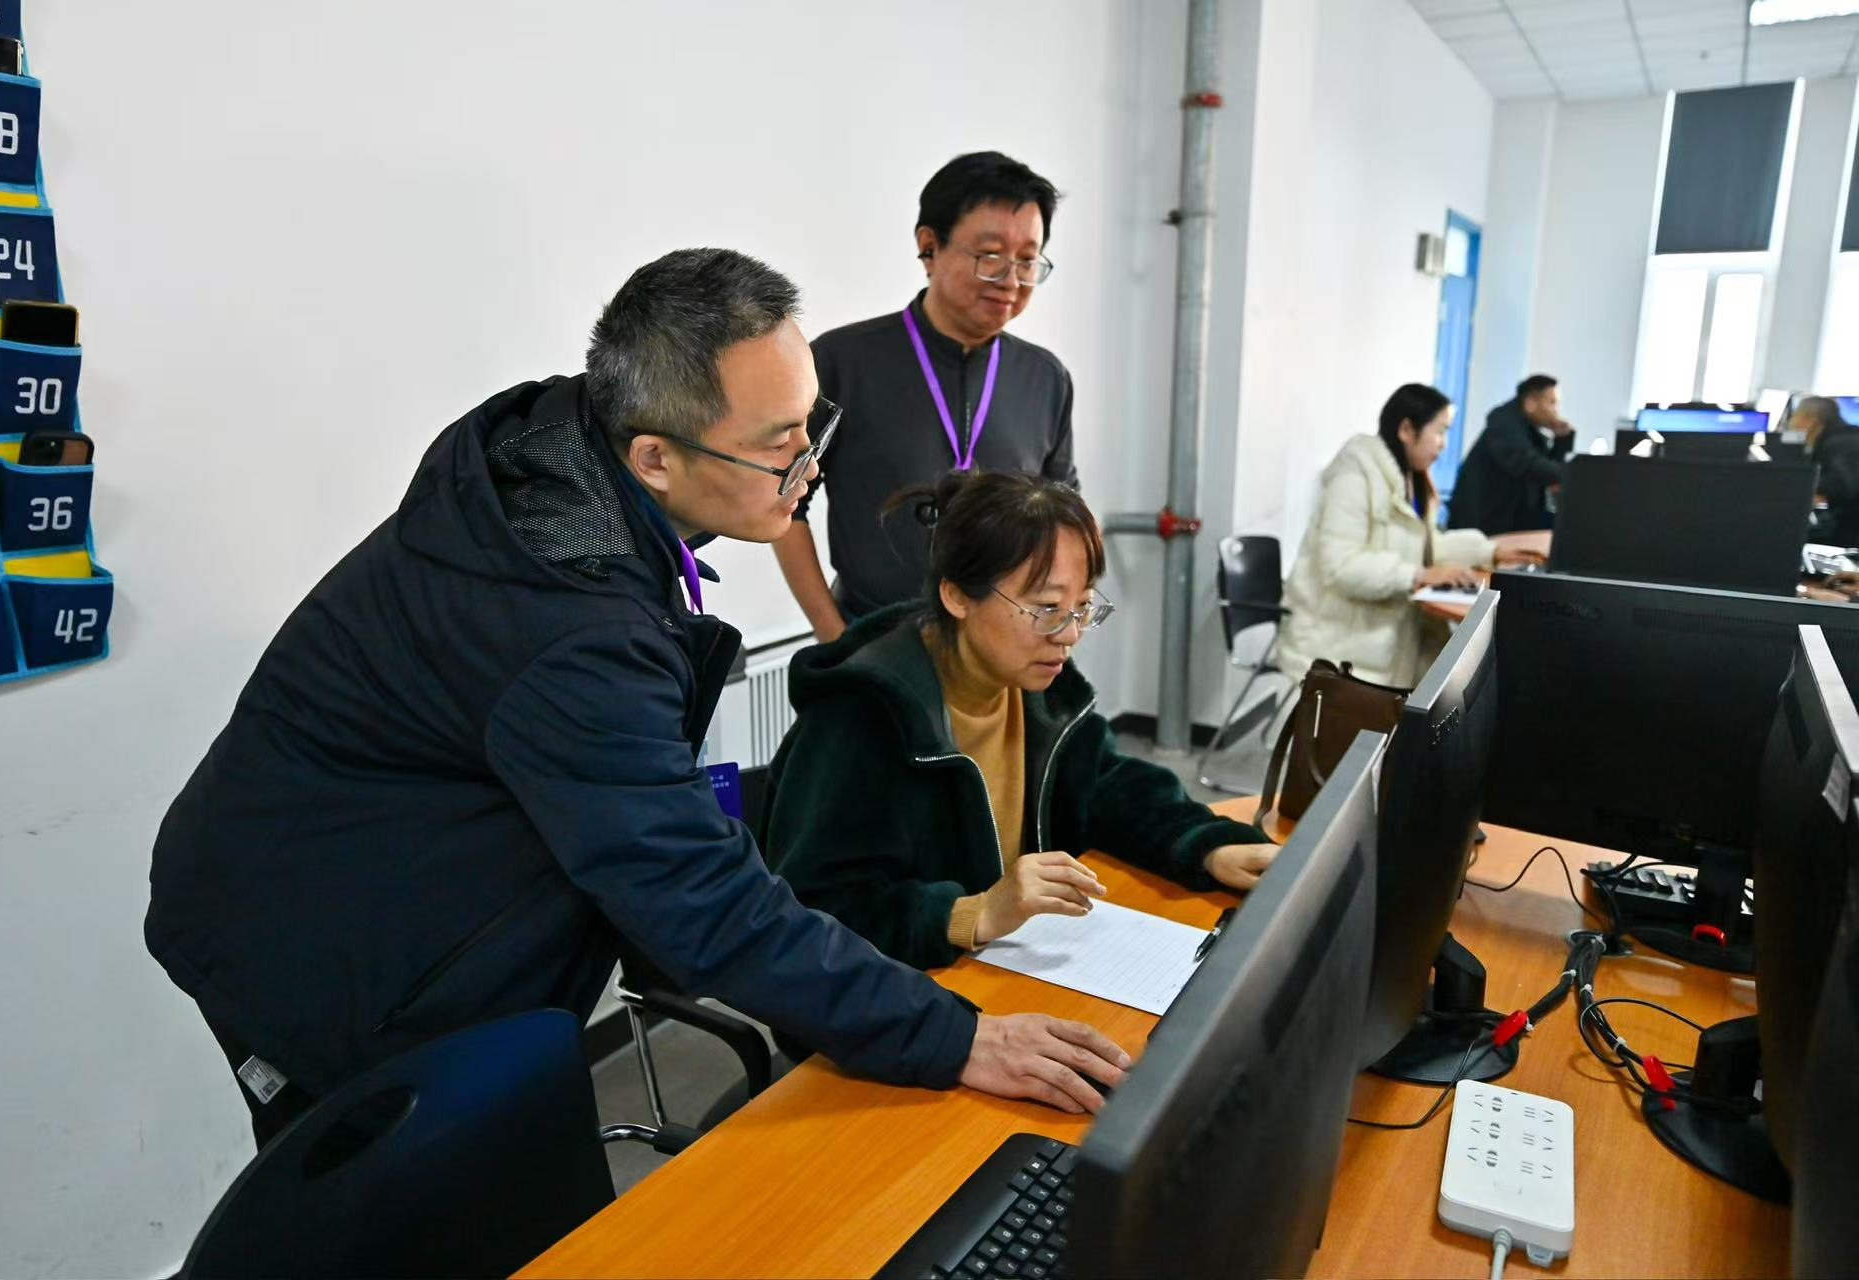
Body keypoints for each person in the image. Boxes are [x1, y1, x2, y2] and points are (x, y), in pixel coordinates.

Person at [145, 249, 1133, 1147]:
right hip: (316, 937)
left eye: (812, 422)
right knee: (406, 1207)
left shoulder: (576, 451)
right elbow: (700, 897)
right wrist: (955, 1038)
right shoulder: (570, 627)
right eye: (779, 445)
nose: (812, 464)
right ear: (655, 455)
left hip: (411, 881)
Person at [761, 470, 1277, 972]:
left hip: (1006, 963)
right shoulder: (863, 713)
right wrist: (973, 912)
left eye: (1083, 607)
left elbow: (1107, 786)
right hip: (908, 989)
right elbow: (817, 909)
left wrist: (1206, 844)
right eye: (1047, 608)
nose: (1069, 634)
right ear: (957, 596)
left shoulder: (1034, 684)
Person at [775, 151, 1077, 642]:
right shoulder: (842, 362)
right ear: (929, 246)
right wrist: (833, 634)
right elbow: (787, 502)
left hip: (1003, 648)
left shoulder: (1045, 378)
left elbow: (1062, 518)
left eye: (1027, 260)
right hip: (870, 638)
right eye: (990, 255)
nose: (1011, 280)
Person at [1277, 384, 1533, 687]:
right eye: (1440, 431)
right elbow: (1341, 566)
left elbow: (1428, 546)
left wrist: (1488, 552)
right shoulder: (1355, 475)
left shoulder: (1408, 478)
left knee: (1458, 676)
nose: (1443, 444)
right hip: (1339, 645)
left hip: (1384, 639)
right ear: (1407, 430)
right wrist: (1418, 575)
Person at [1446, 374, 1573, 535]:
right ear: (1531, 403)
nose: (1556, 410)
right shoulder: (1504, 424)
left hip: (1508, 519)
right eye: (1552, 402)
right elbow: (1530, 464)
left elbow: (1548, 468)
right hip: (1481, 522)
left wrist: (1562, 439)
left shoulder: (1530, 429)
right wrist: (1572, 475)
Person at [1797, 396, 1859, 547]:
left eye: (1796, 415)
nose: (1792, 422)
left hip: (1850, 530)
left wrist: (1805, 487)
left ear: (1811, 420)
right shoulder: (1844, 437)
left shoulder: (1839, 443)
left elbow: (1845, 486)